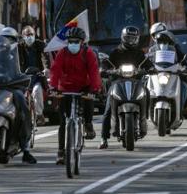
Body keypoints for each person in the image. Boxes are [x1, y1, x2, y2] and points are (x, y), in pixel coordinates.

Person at [49, 27, 101, 165]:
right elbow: (55, 71)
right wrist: (53, 87)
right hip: (65, 88)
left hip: (83, 87)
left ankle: (88, 125)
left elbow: (94, 72)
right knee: (62, 122)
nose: (73, 44)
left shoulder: (88, 53)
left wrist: (94, 88)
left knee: (89, 101)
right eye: (70, 41)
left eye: (76, 42)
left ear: (82, 42)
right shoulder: (62, 53)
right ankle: (61, 152)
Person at [99, 26, 151, 149]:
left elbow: (148, 64)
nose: (131, 41)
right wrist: (105, 69)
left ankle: (144, 118)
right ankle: (103, 138)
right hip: (117, 83)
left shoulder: (139, 53)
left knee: (147, 93)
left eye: (133, 38)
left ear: (137, 39)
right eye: (128, 38)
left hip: (136, 83)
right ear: (123, 38)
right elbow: (106, 64)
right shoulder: (116, 52)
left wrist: (151, 68)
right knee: (107, 109)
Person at [0, 27, 38, 164]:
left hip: (13, 89)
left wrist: (24, 77)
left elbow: (22, 72)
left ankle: (25, 148)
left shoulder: (17, 55)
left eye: (11, 39)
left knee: (23, 108)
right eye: (5, 39)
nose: (7, 42)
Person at [149, 23, 187, 117]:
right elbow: (147, 60)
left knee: (184, 81)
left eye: (159, 33)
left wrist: (184, 65)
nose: (158, 36)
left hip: (171, 71)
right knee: (144, 80)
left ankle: (186, 106)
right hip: (156, 72)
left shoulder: (174, 47)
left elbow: (181, 57)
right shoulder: (152, 49)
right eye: (155, 34)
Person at [18, 26, 49, 122]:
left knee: (37, 91)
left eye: (32, 34)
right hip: (23, 77)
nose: (30, 37)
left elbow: (45, 57)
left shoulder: (40, 45)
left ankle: (39, 114)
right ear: (23, 36)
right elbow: (15, 60)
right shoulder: (18, 47)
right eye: (27, 35)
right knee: (18, 96)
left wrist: (46, 68)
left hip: (37, 76)